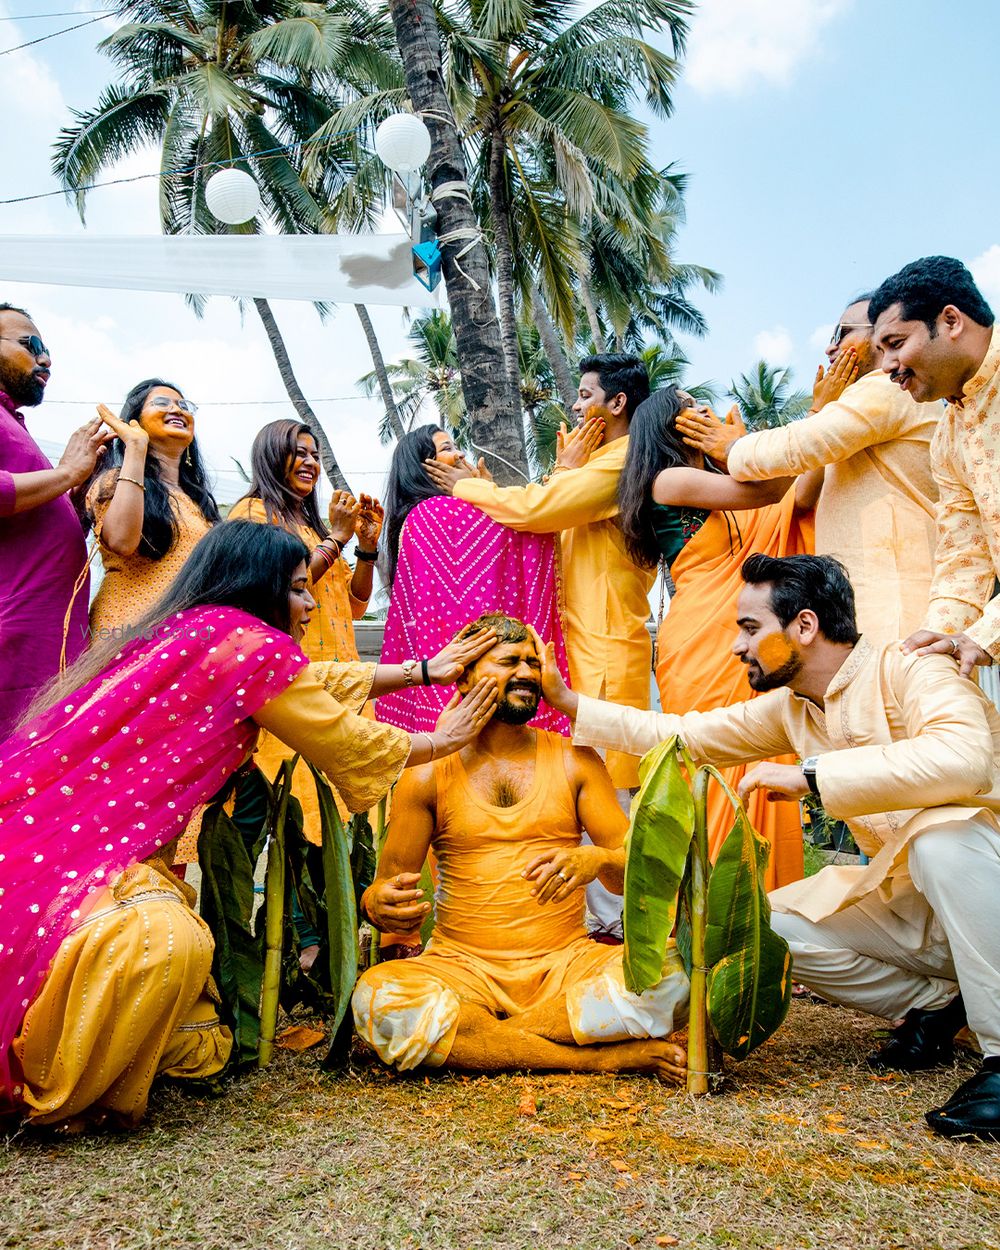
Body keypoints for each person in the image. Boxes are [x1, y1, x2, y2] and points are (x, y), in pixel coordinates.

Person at [0, 521, 498, 1129]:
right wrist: (441, 740)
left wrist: (423, 670)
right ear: (255, 586)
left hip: (36, 837)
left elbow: (311, 683)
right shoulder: (250, 648)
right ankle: (50, 1088)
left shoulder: (192, 629)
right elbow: (340, 736)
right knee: (167, 944)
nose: (312, 600)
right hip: (85, 864)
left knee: (200, 1043)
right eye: (297, 588)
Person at [539, 552, 1000, 1141]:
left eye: (750, 628)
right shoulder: (794, 707)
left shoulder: (913, 670)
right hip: (917, 905)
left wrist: (811, 776)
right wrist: (568, 702)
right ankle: (939, 1005)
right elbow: (684, 735)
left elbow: (963, 761)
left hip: (979, 874)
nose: (737, 645)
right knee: (768, 924)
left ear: (804, 627)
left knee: (943, 840)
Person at [352, 614, 689, 1080]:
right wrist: (380, 905)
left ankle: (482, 1040)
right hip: (462, 968)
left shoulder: (576, 759)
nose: (528, 673)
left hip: (567, 964)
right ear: (464, 673)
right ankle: (594, 1058)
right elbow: (382, 890)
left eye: (534, 662)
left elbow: (633, 874)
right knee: (377, 997)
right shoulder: (428, 771)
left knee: (677, 973)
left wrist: (596, 859)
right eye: (509, 661)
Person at [423, 354, 656, 790]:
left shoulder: (623, 459)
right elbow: (546, 522)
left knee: (611, 786)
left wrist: (465, 487)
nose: (574, 406)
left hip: (605, 648)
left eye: (585, 396)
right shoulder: (599, 461)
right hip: (580, 644)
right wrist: (565, 470)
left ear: (618, 403)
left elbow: (538, 509)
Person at [618, 387, 813, 887]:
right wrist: (808, 423)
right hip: (701, 637)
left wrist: (744, 449)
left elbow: (793, 497)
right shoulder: (669, 479)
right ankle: (710, 925)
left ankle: (770, 915)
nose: (704, 413)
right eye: (691, 406)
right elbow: (771, 492)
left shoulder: (715, 478)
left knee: (757, 753)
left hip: (740, 625)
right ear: (668, 424)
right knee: (713, 765)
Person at [677, 292, 940, 641]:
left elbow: (803, 444)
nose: (831, 348)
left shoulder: (888, 390)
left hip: (893, 602)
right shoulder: (862, 413)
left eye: (843, 333)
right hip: (865, 599)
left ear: (884, 335)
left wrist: (733, 447)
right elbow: (801, 492)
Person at [376, 424, 570, 736]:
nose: (460, 453)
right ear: (425, 466)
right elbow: (532, 526)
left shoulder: (418, 517)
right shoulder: (442, 512)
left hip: (448, 673)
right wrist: (563, 474)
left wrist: (486, 493)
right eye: (448, 448)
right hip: (479, 668)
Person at [868, 257, 1000, 677]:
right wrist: (935, 644)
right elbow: (966, 552)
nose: (888, 366)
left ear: (950, 321)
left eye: (896, 343)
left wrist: (986, 633)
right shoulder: (948, 437)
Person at [0, 303, 111, 739]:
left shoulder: (13, 424)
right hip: (14, 638)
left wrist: (74, 499)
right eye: (31, 345)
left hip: (47, 641)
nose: (45, 359)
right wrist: (67, 473)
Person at [229, 420, 382, 664]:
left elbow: (356, 607)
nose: (311, 463)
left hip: (346, 671)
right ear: (272, 457)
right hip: (296, 667)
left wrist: (366, 547)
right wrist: (338, 537)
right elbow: (278, 588)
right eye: (300, 454)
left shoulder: (316, 530)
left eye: (315, 456)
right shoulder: (251, 513)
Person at [85, 379, 221, 636]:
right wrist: (136, 448)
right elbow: (122, 541)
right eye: (162, 403)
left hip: (189, 636)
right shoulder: (113, 481)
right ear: (134, 421)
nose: (177, 410)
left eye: (183, 405)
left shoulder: (199, 501)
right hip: (128, 632)